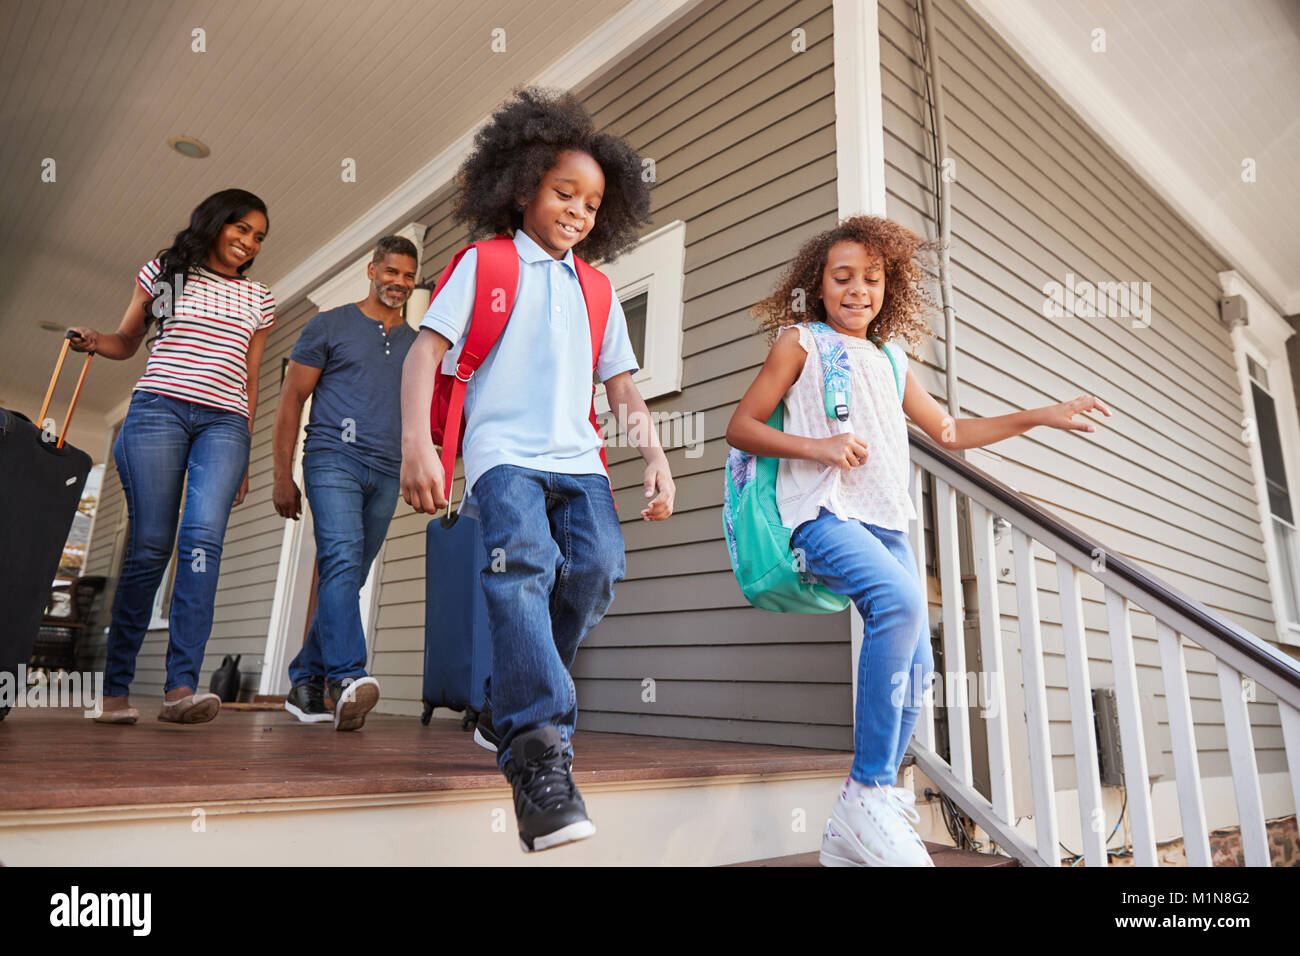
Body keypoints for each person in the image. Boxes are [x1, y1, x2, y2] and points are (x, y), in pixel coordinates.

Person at [726, 215, 1110, 866]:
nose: (857, 290)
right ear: (817, 287)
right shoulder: (801, 343)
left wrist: (1041, 414)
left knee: (920, 667)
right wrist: (815, 446)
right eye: (842, 277)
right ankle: (870, 790)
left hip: (884, 521)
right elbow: (741, 425)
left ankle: (858, 819)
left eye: (872, 279)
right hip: (820, 513)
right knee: (900, 606)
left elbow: (950, 432)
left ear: (889, 286)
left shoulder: (893, 358)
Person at [400, 88, 674, 852]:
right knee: (521, 564)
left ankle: (502, 704)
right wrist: (418, 447)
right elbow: (426, 352)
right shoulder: (484, 264)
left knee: (595, 571)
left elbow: (621, 385)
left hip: (579, 459)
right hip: (501, 456)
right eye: (564, 193)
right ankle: (535, 748)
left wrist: (652, 453)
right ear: (521, 188)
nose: (580, 212)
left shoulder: (598, 289)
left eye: (592, 203)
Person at [67, 188, 276, 725]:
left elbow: (249, 379)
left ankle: (180, 689)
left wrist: (244, 451)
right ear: (216, 222)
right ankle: (114, 691)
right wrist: (95, 340)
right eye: (242, 228)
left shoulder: (259, 298)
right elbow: (127, 341)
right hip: (158, 410)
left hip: (224, 422)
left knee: (202, 543)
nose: (249, 242)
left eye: (258, 237)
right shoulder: (168, 273)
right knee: (150, 546)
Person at [272, 236, 419, 731]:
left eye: (407, 275)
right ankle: (348, 677)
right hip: (333, 458)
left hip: (388, 468)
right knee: (339, 558)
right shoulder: (329, 325)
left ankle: (305, 680)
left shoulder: (418, 344)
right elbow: (291, 399)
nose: (398, 282)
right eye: (391, 271)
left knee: (348, 574)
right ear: (372, 270)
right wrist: (282, 475)